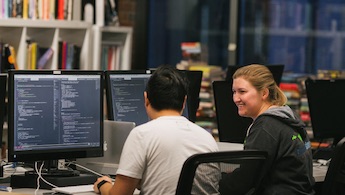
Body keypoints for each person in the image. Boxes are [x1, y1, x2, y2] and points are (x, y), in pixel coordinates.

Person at [94, 65, 220, 195]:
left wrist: (104, 184)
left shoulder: (141, 134)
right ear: (184, 101)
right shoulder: (207, 138)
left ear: (146, 99)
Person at [219, 64, 315, 194]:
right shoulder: (288, 117)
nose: (236, 99)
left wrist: (214, 180)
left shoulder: (266, 128)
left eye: (242, 91)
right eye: (234, 92)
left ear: (264, 93)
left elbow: (243, 182)